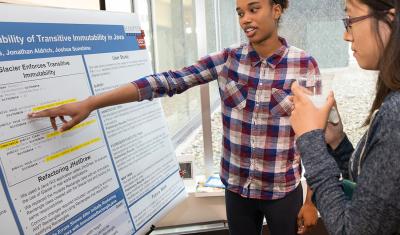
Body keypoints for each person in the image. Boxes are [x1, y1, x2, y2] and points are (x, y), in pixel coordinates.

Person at [29, 0, 319, 234]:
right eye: (240, 12)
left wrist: (311, 202)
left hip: (282, 192)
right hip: (237, 190)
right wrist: (92, 103)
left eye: (254, 9)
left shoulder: (304, 65)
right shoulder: (228, 59)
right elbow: (168, 81)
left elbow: (317, 140)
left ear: (277, 9)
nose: (245, 18)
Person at [289, 0, 400, 234]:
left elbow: (350, 229)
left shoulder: (395, 114)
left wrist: (310, 140)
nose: (346, 36)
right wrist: (337, 143)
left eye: (350, 21)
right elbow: (374, 195)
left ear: (389, 20)